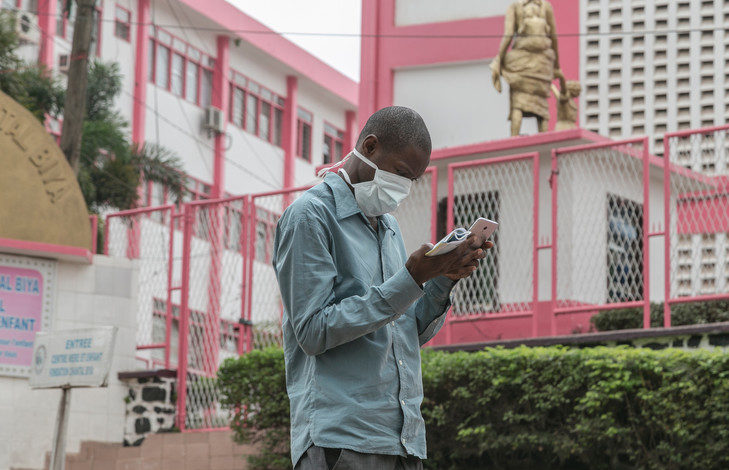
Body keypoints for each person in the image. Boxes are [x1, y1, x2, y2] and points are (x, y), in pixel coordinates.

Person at [272, 106, 493, 470]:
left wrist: (442, 278)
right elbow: (311, 332)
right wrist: (410, 279)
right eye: (401, 173)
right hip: (341, 443)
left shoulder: (387, 227)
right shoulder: (310, 216)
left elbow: (402, 330)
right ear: (370, 147)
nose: (404, 188)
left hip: (404, 444)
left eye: (413, 180)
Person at [490, 0, 563, 136]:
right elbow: (554, 38)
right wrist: (557, 66)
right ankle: (544, 139)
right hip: (543, 64)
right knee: (542, 108)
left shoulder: (514, 7)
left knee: (518, 104)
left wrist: (499, 59)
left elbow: (508, 35)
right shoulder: (546, 6)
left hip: (520, 62)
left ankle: (514, 139)